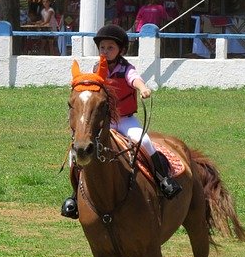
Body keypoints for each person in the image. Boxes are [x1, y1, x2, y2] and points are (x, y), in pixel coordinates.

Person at [61, 24, 182, 219]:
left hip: (125, 120)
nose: (106, 51)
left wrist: (143, 88)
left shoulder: (126, 68)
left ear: (121, 50)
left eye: (110, 48)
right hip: (103, 121)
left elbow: (134, 79)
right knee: (74, 152)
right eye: (102, 47)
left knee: (145, 142)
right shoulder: (95, 70)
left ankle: (163, 180)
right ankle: (75, 196)